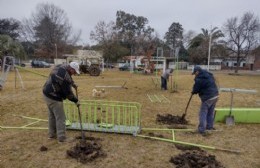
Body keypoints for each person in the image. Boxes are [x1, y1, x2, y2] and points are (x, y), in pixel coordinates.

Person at [43, 62, 80, 143]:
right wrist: (76, 101)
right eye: (74, 72)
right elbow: (68, 94)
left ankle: (51, 135)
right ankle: (62, 138)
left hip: (46, 93)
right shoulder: (65, 78)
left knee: (52, 116)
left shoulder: (62, 66)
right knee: (61, 117)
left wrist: (73, 83)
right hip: (54, 96)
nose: (74, 74)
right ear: (71, 69)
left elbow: (68, 77)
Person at [191, 66, 219, 136]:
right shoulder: (208, 74)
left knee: (202, 113)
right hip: (215, 95)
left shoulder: (199, 79)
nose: (195, 74)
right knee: (210, 112)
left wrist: (193, 91)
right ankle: (209, 127)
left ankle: (201, 129)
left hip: (208, 97)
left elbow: (196, 88)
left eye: (195, 73)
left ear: (197, 72)